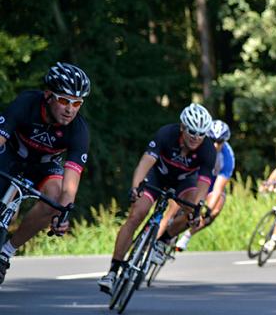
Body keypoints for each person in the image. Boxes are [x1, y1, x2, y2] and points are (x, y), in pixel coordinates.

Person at [98, 103, 215, 293]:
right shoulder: (166, 134)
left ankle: (162, 242)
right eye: (192, 131)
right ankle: (113, 271)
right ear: (182, 127)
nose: (196, 137)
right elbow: (146, 161)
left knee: (192, 212)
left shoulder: (208, 149)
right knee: (138, 214)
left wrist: (197, 207)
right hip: (157, 176)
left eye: (201, 133)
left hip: (184, 182)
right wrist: (136, 187)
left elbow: (203, 182)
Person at [0, 63, 91, 283]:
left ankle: (6, 253)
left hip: (43, 165)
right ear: (48, 95)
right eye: (64, 100)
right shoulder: (27, 102)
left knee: (56, 197)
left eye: (77, 103)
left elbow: (71, 183)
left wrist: (63, 214)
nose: (70, 109)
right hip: (11, 155)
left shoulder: (79, 130)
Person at [174, 120, 236, 251]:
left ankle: (187, 236)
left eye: (219, 142)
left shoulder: (228, 156)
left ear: (224, 142)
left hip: (212, 184)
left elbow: (218, 188)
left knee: (214, 210)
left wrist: (207, 209)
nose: (215, 144)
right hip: (195, 178)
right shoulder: (197, 145)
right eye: (212, 139)